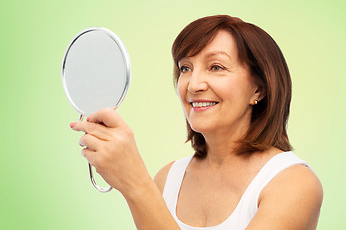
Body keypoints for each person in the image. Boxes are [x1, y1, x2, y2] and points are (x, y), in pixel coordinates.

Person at [70, 15, 323, 230]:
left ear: (258, 89)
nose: (193, 85)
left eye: (216, 67)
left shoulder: (294, 184)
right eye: (185, 68)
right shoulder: (168, 179)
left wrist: (136, 184)